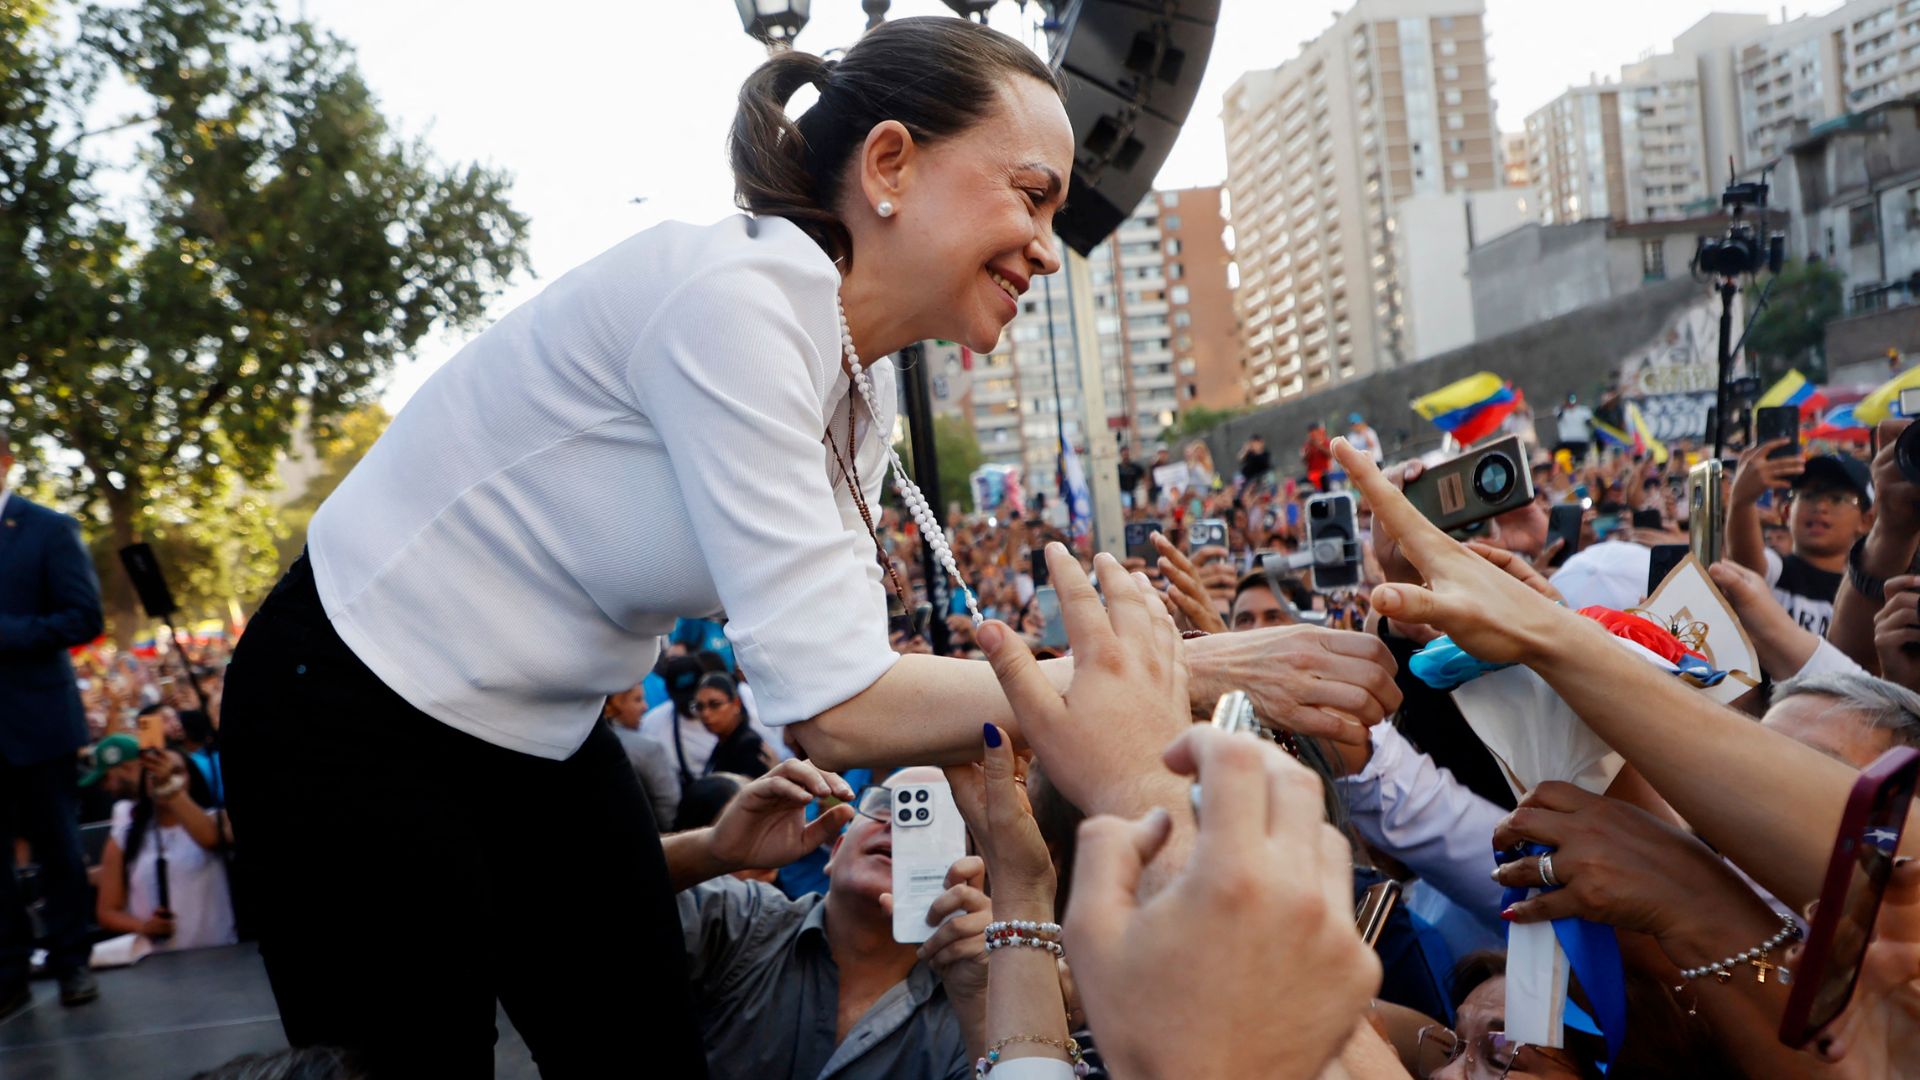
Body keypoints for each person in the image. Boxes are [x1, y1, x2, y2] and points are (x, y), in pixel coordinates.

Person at [667, 762, 988, 1078]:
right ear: (836, 849)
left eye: (934, 822)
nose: (899, 826)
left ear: (970, 880)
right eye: (886, 804)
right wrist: (711, 851)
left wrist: (978, 1005)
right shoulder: (743, 919)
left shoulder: (969, 1009)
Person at [0, 423, 106, 1016]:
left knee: (58, 848)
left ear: (6, 462)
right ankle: (8, 974)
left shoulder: (48, 529)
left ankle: (72, 964)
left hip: (37, 722)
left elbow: (83, 617)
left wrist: (7, 633)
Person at [92, 742, 236, 953]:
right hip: (158, 967)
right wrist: (145, 927)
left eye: (176, 772)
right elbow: (107, 912)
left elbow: (211, 839)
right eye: (153, 773)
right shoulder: (124, 838)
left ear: (192, 777)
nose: (162, 778)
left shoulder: (219, 820)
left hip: (223, 957)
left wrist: (171, 790)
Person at [1728, 442, 1873, 636]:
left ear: (1866, 521)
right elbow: (1747, 567)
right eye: (1808, 495)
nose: (1820, 506)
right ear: (1787, 512)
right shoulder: (1776, 570)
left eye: (1837, 498)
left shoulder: (1867, 597)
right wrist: (1742, 502)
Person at [602, 678, 681, 828]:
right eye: (637, 700)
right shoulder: (648, 748)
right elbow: (668, 805)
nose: (645, 707)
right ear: (612, 705)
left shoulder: (576, 742)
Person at [691, 671, 771, 779]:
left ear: (736, 704)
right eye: (699, 707)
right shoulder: (724, 742)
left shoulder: (749, 746)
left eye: (715, 705)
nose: (705, 714)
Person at [1554, 394, 1593, 459]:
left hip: (1581, 441)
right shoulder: (1561, 411)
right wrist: (1564, 408)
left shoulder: (1584, 411)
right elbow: (1558, 416)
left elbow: (1590, 422)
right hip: (1566, 442)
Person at [1302, 422, 1333, 492]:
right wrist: (1309, 450)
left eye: (1314, 431)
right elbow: (1304, 460)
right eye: (1310, 432)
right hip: (1312, 475)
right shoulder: (1307, 445)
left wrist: (1318, 446)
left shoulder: (1325, 441)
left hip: (1324, 473)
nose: (1312, 434)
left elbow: (1330, 454)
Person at [1115, 444, 1144, 509]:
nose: (1126, 456)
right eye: (1124, 454)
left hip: (1134, 492)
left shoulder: (1135, 467)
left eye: (1127, 454)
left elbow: (1144, 478)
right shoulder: (1118, 468)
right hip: (1122, 493)